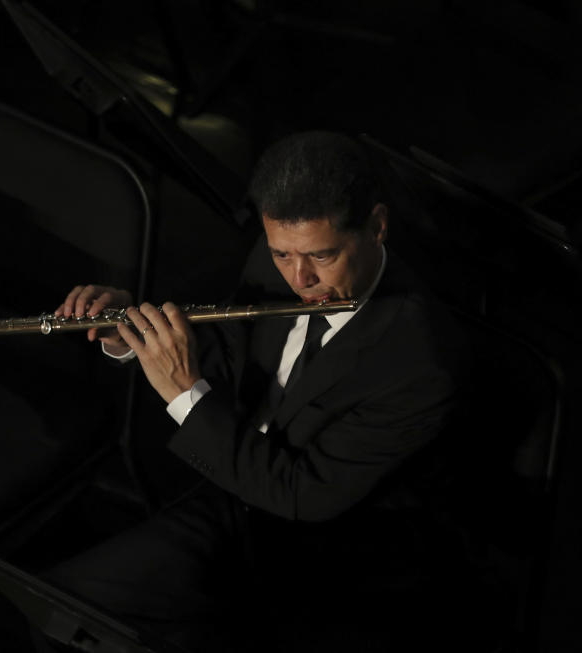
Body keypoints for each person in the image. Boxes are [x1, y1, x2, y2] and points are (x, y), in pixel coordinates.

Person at [42, 131, 468, 652]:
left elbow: (301, 494)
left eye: (323, 256)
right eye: (282, 254)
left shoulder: (421, 363)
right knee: (65, 613)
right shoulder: (276, 259)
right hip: (236, 494)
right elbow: (235, 356)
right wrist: (135, 335)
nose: (300, 279)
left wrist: (184, 391)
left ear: (376, 227)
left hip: (331, 560)